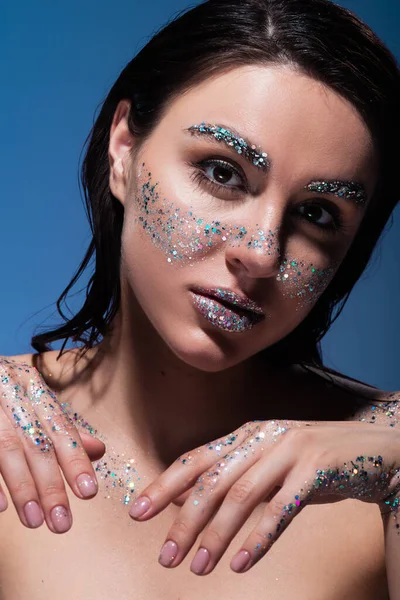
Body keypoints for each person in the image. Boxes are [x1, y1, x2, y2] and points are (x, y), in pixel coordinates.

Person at [0, 0, 399, 597]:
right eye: (222, 172)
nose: (262, 253)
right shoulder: (6, 433)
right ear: (123, 149)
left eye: (317, 213)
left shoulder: (387, 463)